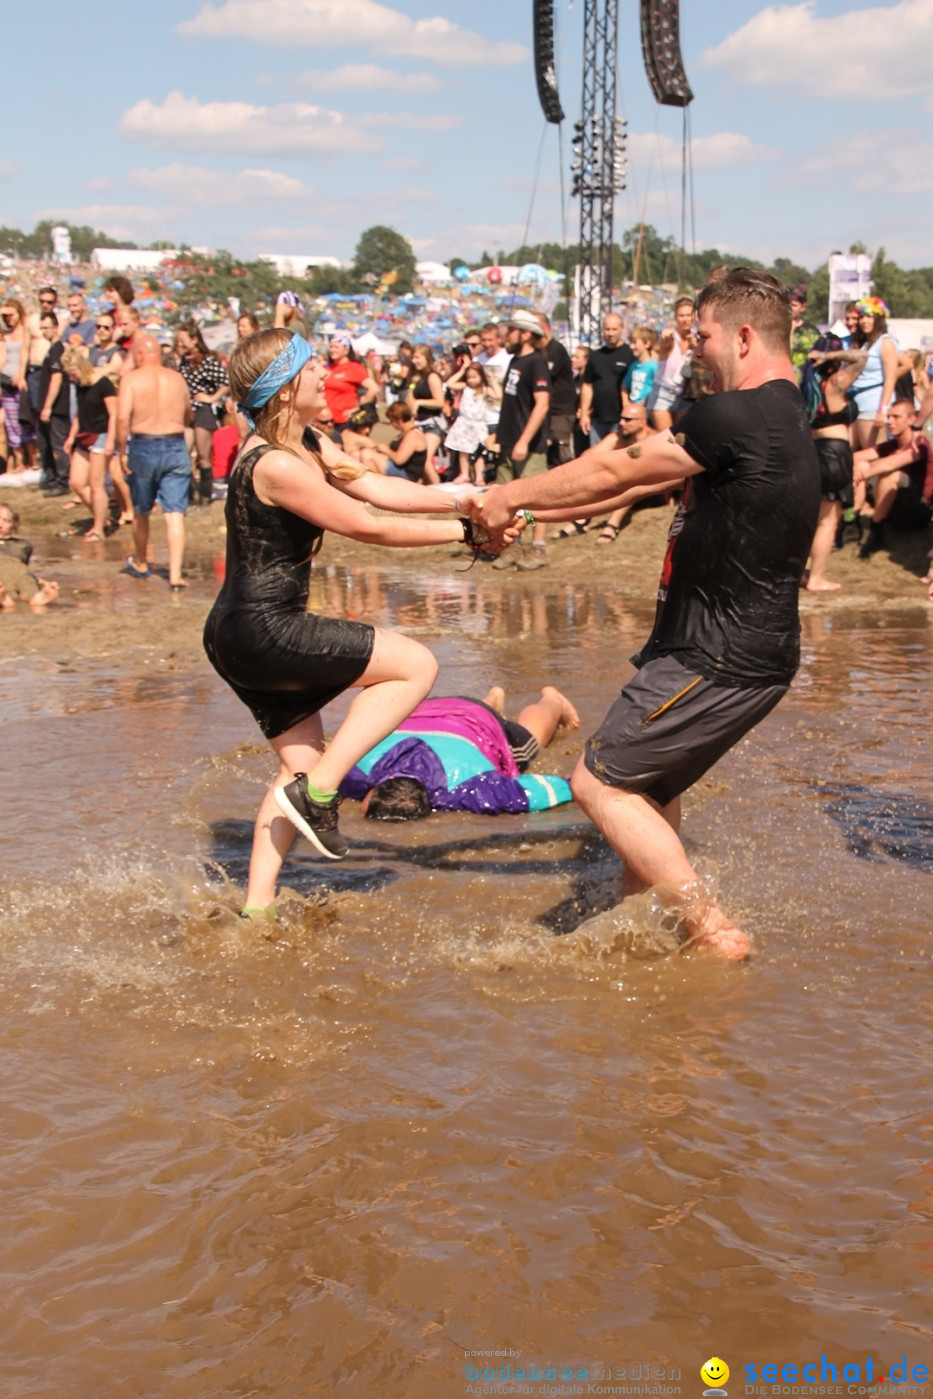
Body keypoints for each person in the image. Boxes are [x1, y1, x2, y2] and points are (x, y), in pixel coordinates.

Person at [473, 268, 821, 961]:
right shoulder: (781, 418)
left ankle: (710, 930)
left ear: (745, 336)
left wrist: (509, 493)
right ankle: (636, 938)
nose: (691, 347)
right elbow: (638, 479)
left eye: (703, 334)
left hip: (711, 654)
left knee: (596, 779)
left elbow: (616, 470)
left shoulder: (734, 413)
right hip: (743, 654)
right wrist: (530, 509)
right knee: (646, 788)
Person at [202, 328, 517, 919]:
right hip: (266, 628)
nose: (325, 375)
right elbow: (369, 526)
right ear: (285, 386)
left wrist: (471, 498)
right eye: (312, 368)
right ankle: (321, 795)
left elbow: (379, 489)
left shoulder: (308, 443)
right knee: (415, 665)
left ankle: (257, 910)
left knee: (296, 770)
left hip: (237, 633)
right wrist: (471, 535)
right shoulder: (275, 464)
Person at [340, 685, 579, 818]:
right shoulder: (355, 772)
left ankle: (552, 701)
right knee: (475, 715)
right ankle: (491, 700)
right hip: (421, 710)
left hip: (475, 720)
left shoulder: (467, 789)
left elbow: (539, 791)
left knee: (530, 744)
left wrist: (577, 786)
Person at [116, 335, 193, 590]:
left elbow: (122, 420)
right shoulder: (177, 378)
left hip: (144, 443)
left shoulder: (131, 379)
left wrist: (120, 451)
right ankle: (175, 574)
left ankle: (141, 562)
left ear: (139, 355)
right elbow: (187, 414)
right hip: (175, 443)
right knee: (174, 513)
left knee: (141, 509)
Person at [490, 309, 551, 571]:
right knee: (507, 497)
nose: (506, 335)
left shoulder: (536, 362)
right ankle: (513, 544)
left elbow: (542, 404)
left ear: (526, 334)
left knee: (533, 499)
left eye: (511, 330)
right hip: (508, 440)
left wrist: (524, 440)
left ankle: (538, 548)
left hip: (528, 445)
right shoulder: (515, 361)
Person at [804, 335, 863, 590]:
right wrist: (830, 356)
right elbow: (862, 357)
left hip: (816, 450)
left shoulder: (809, 385)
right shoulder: (835, 383)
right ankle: (816, 577)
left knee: (815, 519)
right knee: (828, 521)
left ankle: (803, 573)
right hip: (835, 453)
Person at [853, 398, 933, 558]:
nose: (889, 422)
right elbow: (856, 456)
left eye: (896, 417)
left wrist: (860, 477)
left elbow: (890, 464)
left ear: (911, 419)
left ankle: (876, 533)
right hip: (895, 509)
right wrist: (860, 468)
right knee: (861, 464)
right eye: (889, 417)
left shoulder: (920, 445)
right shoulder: (893, 444)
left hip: (918, 513)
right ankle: (852, 520)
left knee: (889, 474)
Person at [61, 347, 116, 542]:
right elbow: (80, 413)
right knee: (76, 482)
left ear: (81, 368)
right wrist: (71, 436)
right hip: (84, 434)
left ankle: (98, 528)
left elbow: (114, 414)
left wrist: (111, 440)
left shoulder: (103, 384)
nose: (71, 378)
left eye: (73, 373)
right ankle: (101, 516)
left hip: (102, 433)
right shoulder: (80, 385)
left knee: (96, 483)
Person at [175, 320, 228, 506]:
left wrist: (212, 398)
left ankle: (204, 498)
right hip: (186, 411)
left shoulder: (207, 361)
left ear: (194, 339)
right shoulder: (184, 361)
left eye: (183, 340)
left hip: (203, 411)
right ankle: (189, 495)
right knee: (184, 453)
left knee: (204, 456)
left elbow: (226, 381)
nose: (179, 344)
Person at [579, 312, 634, 444]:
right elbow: (587, 385)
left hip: (622, 419)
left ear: (622, 329)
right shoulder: (595, 356)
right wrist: (584, 414)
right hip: (598, 419)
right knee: (596, 458)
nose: (610, 333)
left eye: (614, 329)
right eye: (607, 329)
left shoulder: (630, 354)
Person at [646, 297, 695, 430]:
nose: (685, 319)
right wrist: (666, 338)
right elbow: (665, 340)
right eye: (681, 315)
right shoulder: (672, 338)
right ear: (675, 317)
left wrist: (696, 348)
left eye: (688, 315)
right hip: (663, 393)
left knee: (682, 440)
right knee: (666, 439)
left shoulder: (697, 339)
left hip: (686, 394)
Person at [36, 311, 72, 496]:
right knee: (45, 443)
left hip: (56, 407)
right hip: (49, 406)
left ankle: (63, 481)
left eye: (47, 327)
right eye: (41, 328)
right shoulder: (52, 349)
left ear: (56, 327)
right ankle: (51, 478)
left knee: (58, 445)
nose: (44, 331)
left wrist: (48, 407)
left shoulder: (58, 349)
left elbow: (57, 379)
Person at [0, 502, 59, 610]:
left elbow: (24, 569)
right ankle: (5, 599)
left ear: (13, 525)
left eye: (6, 521)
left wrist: (40, 581)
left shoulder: (22, 545)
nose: (0, 525)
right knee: (4, 584)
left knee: (26, 582)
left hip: (18, 571)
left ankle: (37, 598)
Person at [536, 312, 576, 466]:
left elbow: (545, 375)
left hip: (560, 411)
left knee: (560, 453)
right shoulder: (539, 353)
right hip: (547, 410)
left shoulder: (555, 349)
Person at [1, 299, 35, 471]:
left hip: (23, 380)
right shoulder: (5, 335)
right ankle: (20, 461)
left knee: (26, 421)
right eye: (4, 316)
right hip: (7, 381)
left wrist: (21, 375)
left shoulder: (27, 332)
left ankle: (33, 460)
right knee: (11, 423)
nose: (8, 319)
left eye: (11, 315)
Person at [322, 332, 378, 435]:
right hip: (325, 419)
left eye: (336, 347)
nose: (332, 350)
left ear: (346, 350)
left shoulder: (354, 368)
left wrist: (358, 408)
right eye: (331, 347)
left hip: (343, 421)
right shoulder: (327, 367)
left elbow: (373, 388)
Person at [406, 346, 447, 483]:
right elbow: (410, 401)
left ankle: (441, 496)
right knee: (418, 463)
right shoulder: (417, 377)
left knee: (426, 461)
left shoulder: (432, 376)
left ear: (426, 358)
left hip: (432, 424)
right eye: (413, 358)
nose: (414, 361)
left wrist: (420, 402)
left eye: (417, 357)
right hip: (419, 424)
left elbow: (439, 402)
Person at [788, 283, 821, 383]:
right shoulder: (775, 328)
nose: (789, 308)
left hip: (805, 383)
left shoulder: (811, 332)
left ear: (802, 307)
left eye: (794, 305)